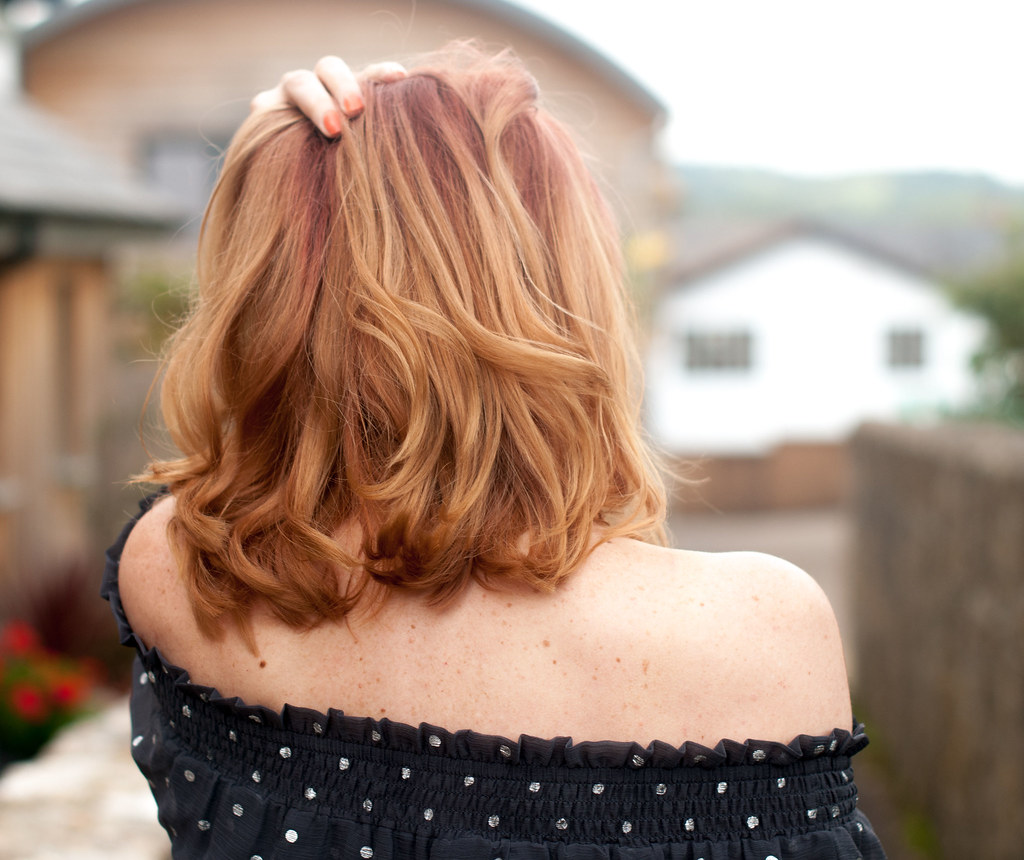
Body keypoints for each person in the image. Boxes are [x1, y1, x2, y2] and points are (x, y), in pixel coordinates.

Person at [104, 44, 885, 859]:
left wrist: (279, 164)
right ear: (565, 292)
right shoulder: (758, 630)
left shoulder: (177, 570)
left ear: (276, 279)